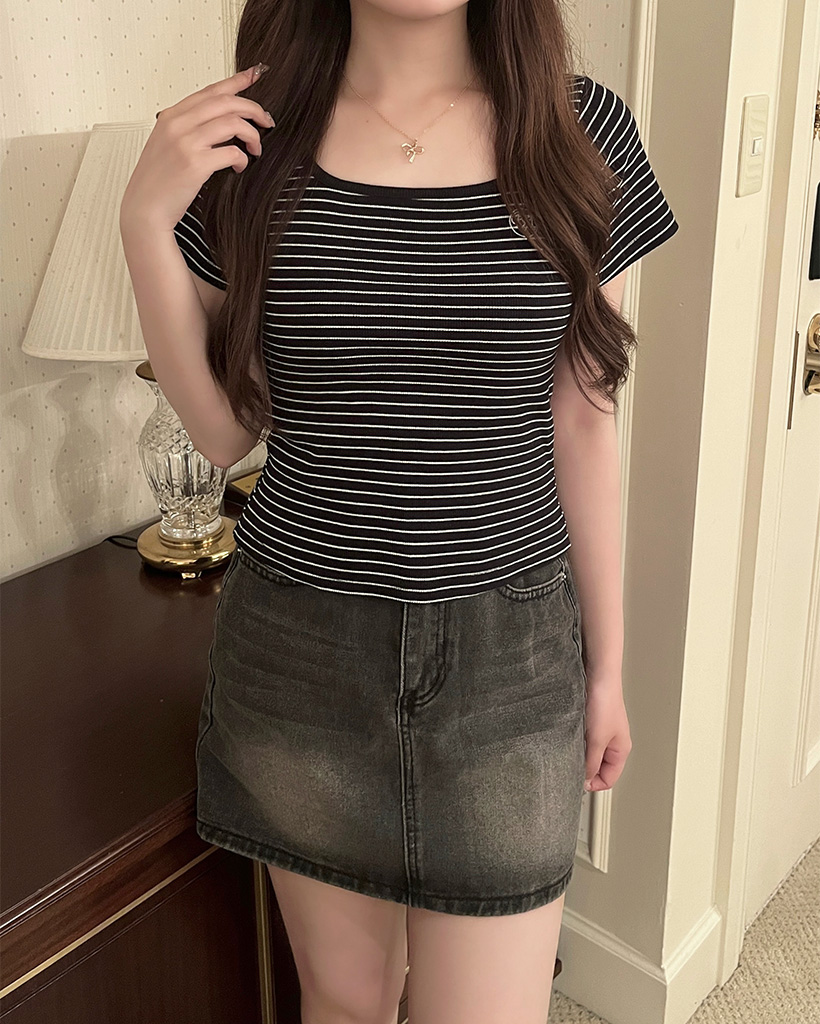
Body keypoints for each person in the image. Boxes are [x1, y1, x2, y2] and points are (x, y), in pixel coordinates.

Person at [121, 2, 679, 1021]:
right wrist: (143, 223)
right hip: (299, 652)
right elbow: (221, 432)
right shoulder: (251, 140)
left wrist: (607, 670)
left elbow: (585, 422)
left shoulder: (580, 129)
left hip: (509, 664)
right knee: (342, 1002)